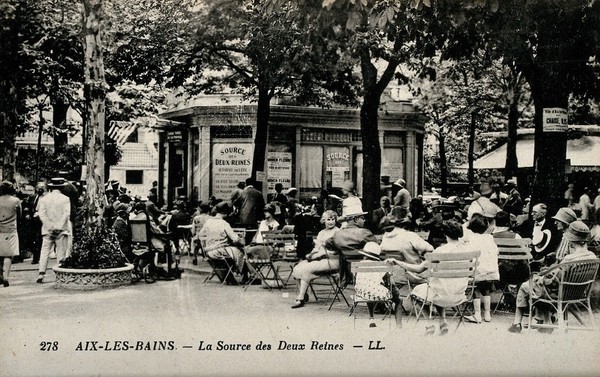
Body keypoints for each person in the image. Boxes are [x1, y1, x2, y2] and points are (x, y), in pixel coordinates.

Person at [508, 221, 597, 333]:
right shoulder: (592, 257)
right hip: (578, 293)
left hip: (559, 294)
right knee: (541, 286)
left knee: (526, 286)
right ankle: (546, 322)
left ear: (571, 242)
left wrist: (543, 275)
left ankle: (517, 323)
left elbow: (553, 281)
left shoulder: (568, 260)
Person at [388, 220, 471, 335]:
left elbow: (419, 269)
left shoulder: (440, 251)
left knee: (417, 293)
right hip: (460, 294)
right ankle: (443, 321)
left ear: (445, 234)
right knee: (436, 286)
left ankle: (430, 323)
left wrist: (398, 262)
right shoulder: (467, 250)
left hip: (441, 294)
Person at [291, 210, 340, 309]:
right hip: (319, 259)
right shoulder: (321, 233)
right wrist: (311, 254)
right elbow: (317, 248)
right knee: (297, 267)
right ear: (324, 221)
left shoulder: (338, 232)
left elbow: (337, 250)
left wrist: (322, 253)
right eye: (328, 220)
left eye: (333, 219)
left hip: (332, 260)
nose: (331, 222)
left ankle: (300, 298)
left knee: (306, 269)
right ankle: (304, 294)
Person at [462, 213, 499, 323]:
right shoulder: (489, 237)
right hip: (491, 271)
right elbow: (496, 251)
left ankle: (477, 314)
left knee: (476, 288)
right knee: (486, 288)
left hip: (477, 271)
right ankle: (487, 314)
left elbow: (468, 255)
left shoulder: (471, 239)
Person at [354, 242, 400, 328]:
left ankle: (371, 318)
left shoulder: (358, 264)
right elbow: (390, 283)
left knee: (368, 287)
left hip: (361, 293)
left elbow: (356, 278)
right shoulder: (382, 266)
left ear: (365, 255)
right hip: (376, 294)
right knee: (398, 299)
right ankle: (399, 325)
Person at [199, 202, 249, 282]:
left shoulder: (208, 222)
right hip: (219, 251)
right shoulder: (224, 223)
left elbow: (201, 235)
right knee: (240, 253)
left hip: (209, 252)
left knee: (232, 252)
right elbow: (235, 239)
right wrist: (241, 240)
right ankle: (244, 276)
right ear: (226, 214)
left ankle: (229, 276)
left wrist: (207, 243)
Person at [379, 216, 434, 284]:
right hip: (413, 274)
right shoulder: (409, 235)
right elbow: (430, 249)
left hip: (393, 276)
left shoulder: (384, 238)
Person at [36, 178, 71, 284]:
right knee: (61, 251)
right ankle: (59, 274)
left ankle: (41, 273)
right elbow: (66, 214)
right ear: (62, 187)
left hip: (47, 229)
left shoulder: (44, 199)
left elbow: (42, 214)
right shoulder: (65, 199)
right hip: (61, 229)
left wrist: (50, 225)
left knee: (45, 251)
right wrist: (58, 226)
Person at [0, 181, 21, 287]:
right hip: (11, 230)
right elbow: (20, 214)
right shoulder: (15, 200)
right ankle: (6, 277)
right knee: (8, 255)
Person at [27, 182, 46, 264]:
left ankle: (38, 257)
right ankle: (35, 256)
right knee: (33, 238)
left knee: (40, 239)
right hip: (34, 220)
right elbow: (28, 207)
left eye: (42, 187)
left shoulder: (46, 198)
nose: (40, 189)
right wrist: (28, 214)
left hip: (43, 220)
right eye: (38, 187)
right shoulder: (33, 197)